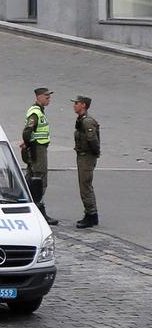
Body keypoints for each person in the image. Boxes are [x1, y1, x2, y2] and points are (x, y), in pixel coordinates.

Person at [22, 87, 58, 225]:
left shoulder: (39, 111)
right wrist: (28, 144)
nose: (49, 99)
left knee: (31, 177)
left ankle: (28, 205)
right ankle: (38, 210)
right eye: (46, 97)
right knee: (40, 179)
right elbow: (27, 131)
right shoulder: (35, 112)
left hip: (38, 147)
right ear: (39, 97)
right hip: (38, 149)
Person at [73, 95, 101, 229]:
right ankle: (91, 214)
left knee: (85, 186)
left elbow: (92, 140)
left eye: (77, 103)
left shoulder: (87, 122)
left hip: (86, 157)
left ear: (83, 105)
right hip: (83, 155)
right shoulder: (81, 120)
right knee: (85, 185)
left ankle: (91, 214)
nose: (74, 105)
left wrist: (94, 154)